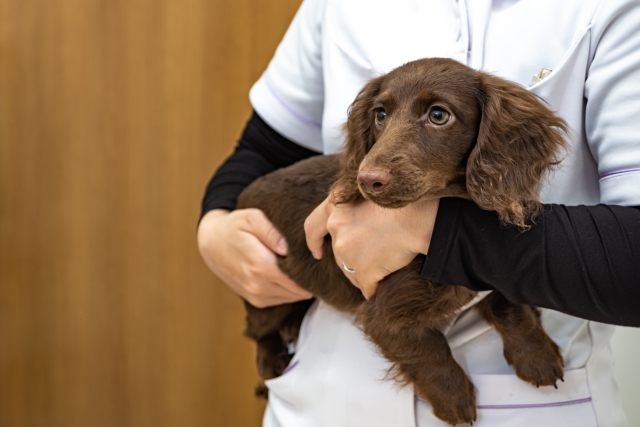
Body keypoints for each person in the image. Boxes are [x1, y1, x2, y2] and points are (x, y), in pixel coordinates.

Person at [197, 0, 640, 425]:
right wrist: (213, 226)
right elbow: (264, 147)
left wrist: (433, 229)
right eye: (381, 116)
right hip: (319, 400)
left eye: (439, 115)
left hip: (530, 410)